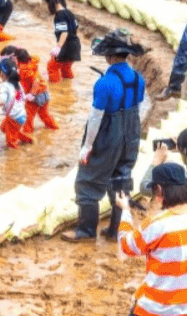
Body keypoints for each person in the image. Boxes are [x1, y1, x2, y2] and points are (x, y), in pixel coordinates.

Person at [62, 29, 146, 243]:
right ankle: (115, 230)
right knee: (121, 179)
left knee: (88, 181)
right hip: (132, 130)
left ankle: (86, 230)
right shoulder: (139, 79)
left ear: (109, 56)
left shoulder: (104, 83)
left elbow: (96, 118)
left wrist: (87, 146)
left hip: (109, 132)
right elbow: (138, 106)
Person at [115, 163, 187, 316]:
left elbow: (126, 246)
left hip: (153, 310)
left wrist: (126, 211)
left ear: (159, 190)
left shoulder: (156, 225)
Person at [0, 57, 33, 149]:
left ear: (2, 74)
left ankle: (14, 159)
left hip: (14, 118)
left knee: (11, 144)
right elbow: (22, 97)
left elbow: (2, 101)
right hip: (21, 115)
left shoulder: (5, 86)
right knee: (3, 128)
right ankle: (27, 139)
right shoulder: (17, 84)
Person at [15, 48, 58, 134]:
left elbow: (34, 82)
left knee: (28, 117)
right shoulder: (32, 61)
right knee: (44, 115)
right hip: (44, 92)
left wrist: (31, 94)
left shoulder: (24, 69)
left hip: (34, 96)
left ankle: (27, 135)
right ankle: (54, 128)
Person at [42, 0, 81, 82]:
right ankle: (67, 88)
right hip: (75, 45)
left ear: (51, 3)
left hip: (66, 46)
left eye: (46, 4)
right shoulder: (69, 12)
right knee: (65, 68)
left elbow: (64, 33)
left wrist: (58, 47)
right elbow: (76, 27)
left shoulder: (59, 16)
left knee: (52, 66)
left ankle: (55, 90)